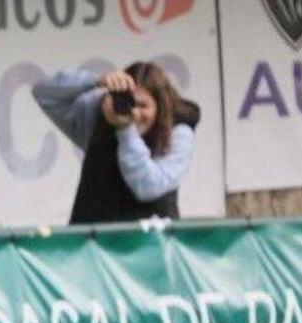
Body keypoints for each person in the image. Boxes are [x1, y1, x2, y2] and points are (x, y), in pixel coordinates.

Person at [33, 62, 200, 224]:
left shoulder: (179, 131)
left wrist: (126, 130)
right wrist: (96, 81)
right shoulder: (101, 112)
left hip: (152, 244)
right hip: (93, 243)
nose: (134, 113)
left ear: (161, 106)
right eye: (128, 102)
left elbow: (148, 186)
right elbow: (44, 93)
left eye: (142, 106)